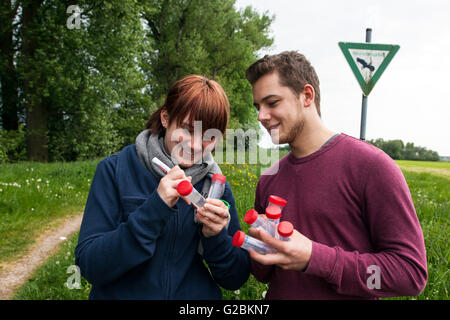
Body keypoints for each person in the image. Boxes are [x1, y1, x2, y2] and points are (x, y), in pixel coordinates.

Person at [245, 51, 427, 299]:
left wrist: (315, 258)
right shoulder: (268, 179)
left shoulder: (372, 166)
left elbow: (409, 275)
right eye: (258, 106)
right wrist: (257, 244)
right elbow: (264, 274)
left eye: (272, 103)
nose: (261, 116)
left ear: (307, 96)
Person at [75, 75, 250, 299]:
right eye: (186, 129)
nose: (195, 145)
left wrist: (215, 237)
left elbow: (235, 278)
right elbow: (90, 266)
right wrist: (155, 209)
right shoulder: (115, 169)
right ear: (166, 118)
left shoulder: (215, 185)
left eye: (208, 136)